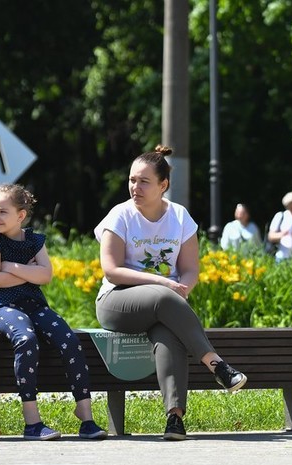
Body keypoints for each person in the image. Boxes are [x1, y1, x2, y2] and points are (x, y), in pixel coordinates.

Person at [93, 145, 247, 441]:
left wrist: (183, 287)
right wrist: (164, 285)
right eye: (132, 180)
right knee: (164, 298)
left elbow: (190, 269)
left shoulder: (179, 216)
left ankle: (174, 419)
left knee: (168, 335)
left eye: (143, 181)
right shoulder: (120, 216)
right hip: (118, 301)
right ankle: (217, 366)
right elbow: (111, 270)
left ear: (163, 185)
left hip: (165, 304)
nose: (134, 187)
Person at [0, 183, 107, 441]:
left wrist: (10, 266)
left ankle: (85, 415)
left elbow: (45, 275)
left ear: (21, 215)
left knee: (69, 339)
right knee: (26, 338)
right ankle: (32, 423)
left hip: (34, 305)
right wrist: (28, 273)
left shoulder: (34, 241)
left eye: (2, 212)